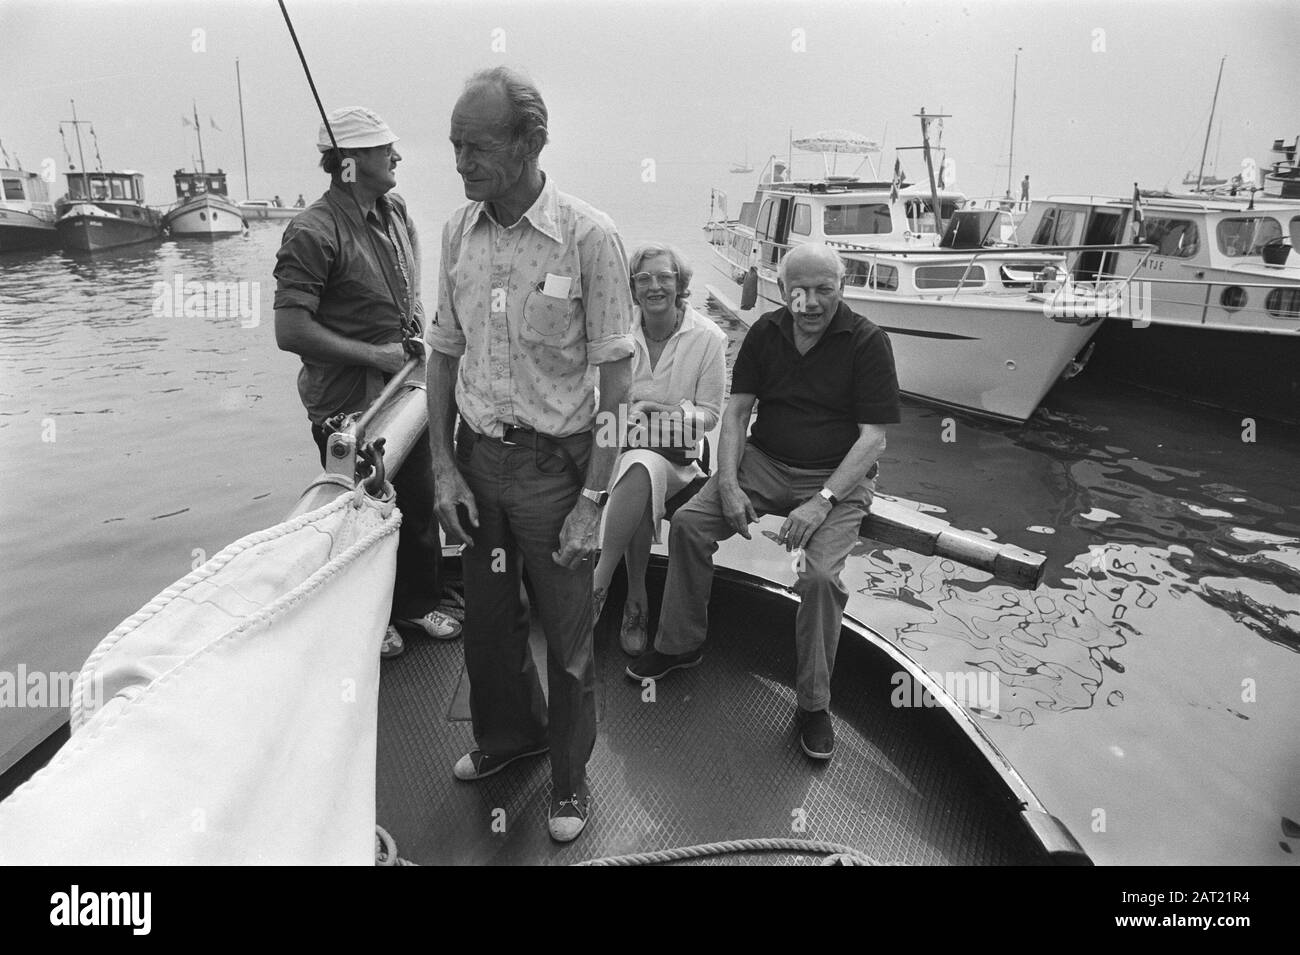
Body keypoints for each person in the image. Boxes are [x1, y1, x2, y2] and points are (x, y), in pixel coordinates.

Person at [426, 67, 633, 843]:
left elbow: (619, 380)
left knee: (569, 639)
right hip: (481, 460)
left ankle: (571, 782)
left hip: (557, 473)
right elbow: (443, 352)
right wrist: (443, 464)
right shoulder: (455, 232)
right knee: (488, 625)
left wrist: (593, 500)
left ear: (530, 142)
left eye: (475, 146)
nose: (460, 162)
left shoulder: (589, 238)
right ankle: (511, 738)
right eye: (454, 146)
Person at [627, 243, 900, 763]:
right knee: (689, 524)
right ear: (782, 288)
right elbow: (735, 414)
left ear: (841, 289)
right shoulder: (766, 334)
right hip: (767, 461)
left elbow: (873, 440)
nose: (812, 303)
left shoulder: (867, 341)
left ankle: (813, 704)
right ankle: (680, 643)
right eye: (801, 291)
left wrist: (821, 501)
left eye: (826, 290)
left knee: (820, 578)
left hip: (838, 475)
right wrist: (727, 483)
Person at [273, 105, 460, 660]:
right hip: (349, 406)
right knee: (363, 515)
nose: (397, 156)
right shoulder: (311, 231)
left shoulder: (393, 209)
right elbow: (291, 329)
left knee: (419, 504)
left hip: (408, 389)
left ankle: (415, 601)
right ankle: (366, 617)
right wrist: (374, 354)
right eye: (385, 150)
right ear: (350, 162)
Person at [592, 244, 725, 656]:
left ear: (679, 283)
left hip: (680, 459)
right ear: (632, 286)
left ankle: (598, 586)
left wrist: (660, 413)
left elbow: (711, 416)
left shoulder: (708, 338)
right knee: (638, 465)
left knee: (642, 464)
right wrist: (630, 420)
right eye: (644, 278)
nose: (655, 286)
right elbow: (597, 403)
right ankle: (635, 600)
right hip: (619, 447)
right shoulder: (616, 334)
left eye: (664, 277)